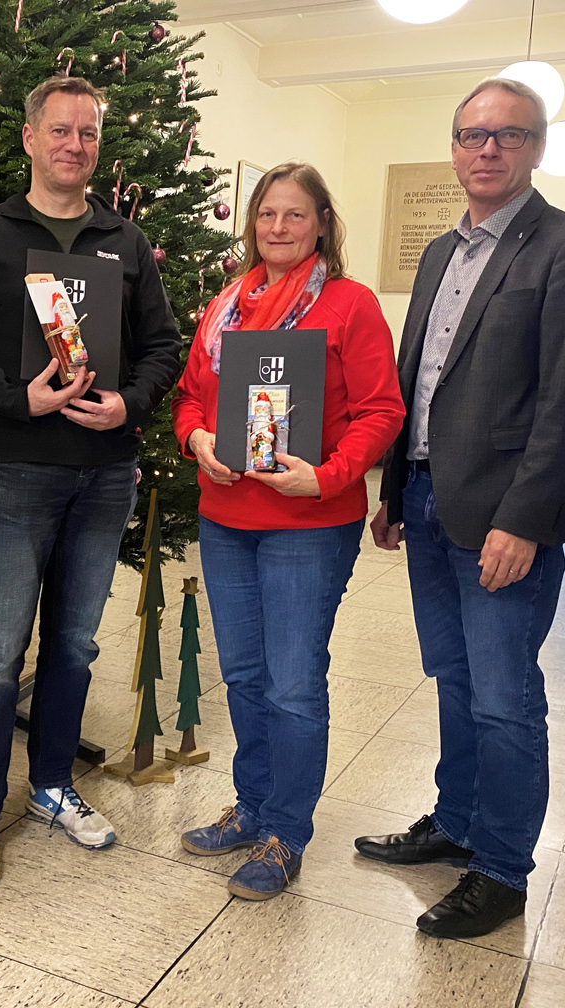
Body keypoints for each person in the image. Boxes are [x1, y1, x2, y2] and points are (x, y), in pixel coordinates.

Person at [355, 78, 565, 939]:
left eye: (508, 135)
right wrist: (393, 488)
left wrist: (525, 518)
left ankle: (501, 869)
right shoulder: (439, 252)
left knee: (506, 697)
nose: (487, 149)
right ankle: (457, 819)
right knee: (453, 677)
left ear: (536, 147)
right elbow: (416, 381)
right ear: (455, 146)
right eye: (471, 135)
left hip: (505, 513)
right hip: (427, 497)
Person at [0, 75, 182, 884]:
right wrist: (17, 397)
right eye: (62, 131)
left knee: (74, 642)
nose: (77, 146)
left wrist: (129, 407)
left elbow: (163, 347)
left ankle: (49, 785)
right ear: (31, 137)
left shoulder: (126, 242)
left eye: (90, 135)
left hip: (104, 473)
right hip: (17, 469)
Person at [171, 162, 404, 901]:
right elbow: (188, 400)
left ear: (322, 225)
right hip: (226, 519)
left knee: (294, 682)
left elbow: (382, 411)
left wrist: (329, 475)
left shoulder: (349, 305)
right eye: (267, 214)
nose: (278, 227)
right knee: (242, 676)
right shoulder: (224, 306)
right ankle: (252, 806)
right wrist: (198, 441)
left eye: (294, 215)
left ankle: (285, 833)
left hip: (307, 524)